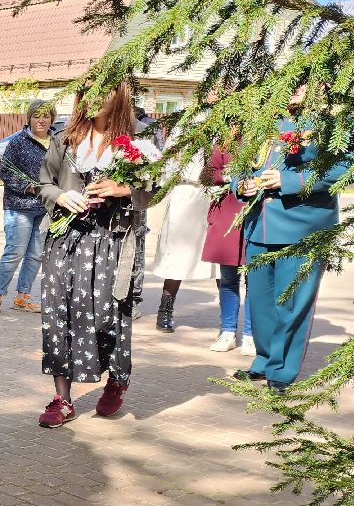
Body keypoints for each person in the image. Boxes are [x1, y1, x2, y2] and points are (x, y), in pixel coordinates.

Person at [36, 81, 157, 428]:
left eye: (100, 93)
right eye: (84, 94)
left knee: (110, 316)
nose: (91, 101)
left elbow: (157, 187)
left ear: (117, 96)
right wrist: (59, 197)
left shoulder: (138, 140)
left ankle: (117, 380)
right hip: (66, 240)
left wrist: (125, 189)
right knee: (58, 312)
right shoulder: (65, 139)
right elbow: (44, 182)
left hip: (113, 242)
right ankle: (63, 399)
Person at [233, 107, 352, 391]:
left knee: (292, 303)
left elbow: (345, 165)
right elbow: (240, 165)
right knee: (259, 302)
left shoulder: (332, 121)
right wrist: (241, 185)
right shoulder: (263, 117)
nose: (295, 88)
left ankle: (282, 371)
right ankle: (263, 361)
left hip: (302, 226)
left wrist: (290, 182)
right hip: (259, 225)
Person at [0, 101, 54, 315]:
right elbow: (6, 172)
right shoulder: (18, 142)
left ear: (52, 118)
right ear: (29, 118)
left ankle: (23, 296)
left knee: (35, 254)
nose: (41, 120)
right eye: (36, 116)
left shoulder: (58, 142)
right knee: (14, 251)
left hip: (45, 206)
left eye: (45, 116)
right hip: (19, 206)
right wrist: (28, 187)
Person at [147, 127, 213, 333]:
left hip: (216, 192)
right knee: (177, 254)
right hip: (186, 191)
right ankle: (165, 309)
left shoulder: (232, 117)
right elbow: (170, 157)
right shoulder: (189, 122)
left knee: (221, 258)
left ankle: (230, 320)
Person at [202, 142, 254, 355]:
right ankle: (228, 331)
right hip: (228, 214)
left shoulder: (270, 135)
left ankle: (252, 335)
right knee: (229, 278)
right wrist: (228, 175)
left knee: (256, 280)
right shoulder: (227, 141)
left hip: (257, 214)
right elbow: (207, 174)